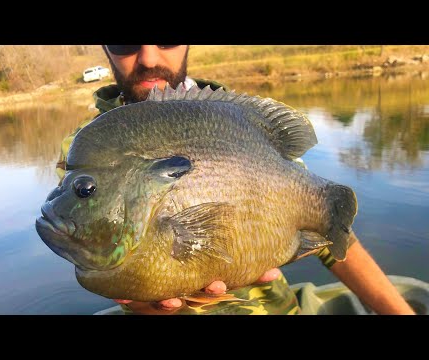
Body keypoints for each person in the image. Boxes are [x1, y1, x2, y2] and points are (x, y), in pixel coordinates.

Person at [56, 45, 415, 315]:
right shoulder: (81, 149)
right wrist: (145, 301)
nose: (148, 56)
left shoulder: (236, 118)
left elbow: (326, 226)